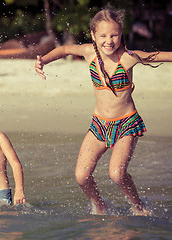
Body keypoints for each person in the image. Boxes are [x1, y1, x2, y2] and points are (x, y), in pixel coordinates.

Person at [35, 7, 172, 216]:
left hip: (126, 124)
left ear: (121, 35)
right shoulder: (89, 52)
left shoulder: (128, 57)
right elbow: (63, 50)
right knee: (81, 176)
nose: (109, 40)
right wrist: (42, 61)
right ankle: (99, 205)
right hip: (99, 125)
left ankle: (138, 205)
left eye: (114, 35)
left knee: (116, 174)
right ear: (93, 35)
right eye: (103, 35)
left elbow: (158, 56)